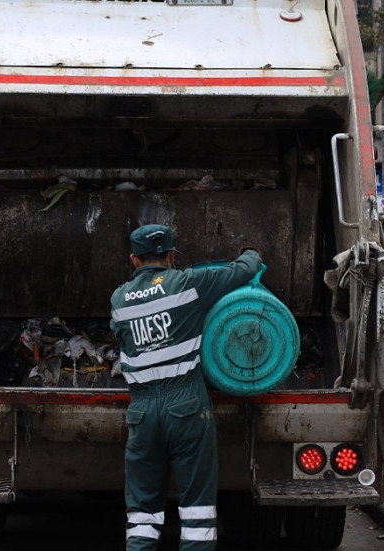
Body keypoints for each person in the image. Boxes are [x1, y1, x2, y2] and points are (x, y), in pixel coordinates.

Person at [110, 224, 263, 551]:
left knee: (142, 517)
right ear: (171, 255)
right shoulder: (187, 283)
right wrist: (251, 252)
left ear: (134, 259)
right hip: (186, 409)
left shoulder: (119, 298)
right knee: (197, 514)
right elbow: (241, 271)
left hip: (141, 414)